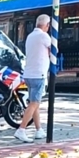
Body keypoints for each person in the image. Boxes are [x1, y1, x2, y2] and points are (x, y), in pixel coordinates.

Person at [14, 14, 52, 143]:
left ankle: (38, 130)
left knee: (35, 103)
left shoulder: (30, 36)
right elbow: (53, 50)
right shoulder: (44, 36)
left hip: (29, 74)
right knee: (34, 103)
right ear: (47, 25)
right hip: (38, 74)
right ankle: (21, 129)